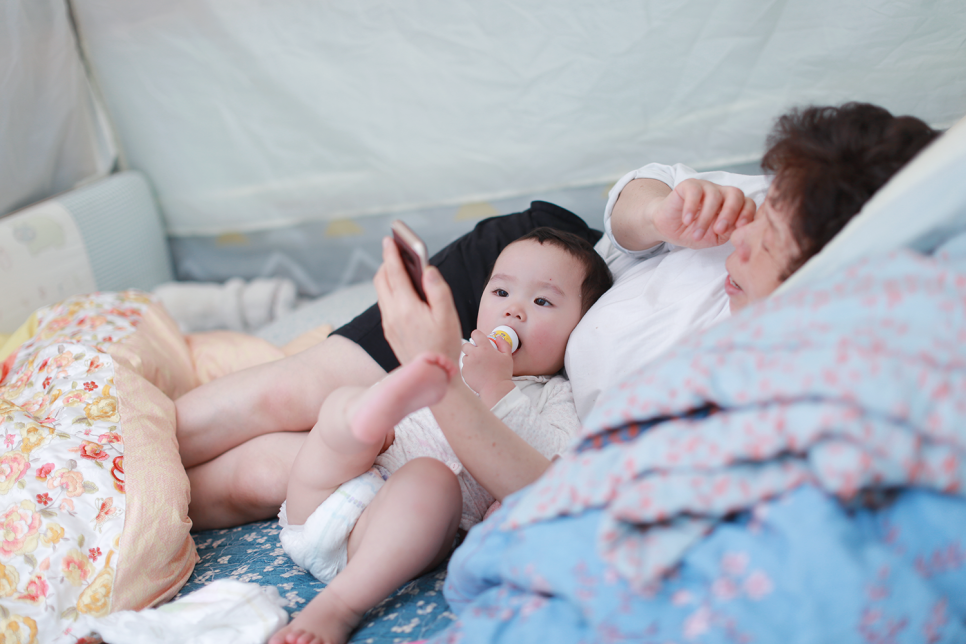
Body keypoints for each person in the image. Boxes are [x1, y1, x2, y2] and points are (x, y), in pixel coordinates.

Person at [175, 102, 939, 531]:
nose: (741, 240)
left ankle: (117, 504)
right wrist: (665, 211)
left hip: (532, 399)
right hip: (549, 268)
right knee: (283, 395)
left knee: (284, 464)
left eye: (764, 243)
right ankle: (106, 443)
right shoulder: (787, 204)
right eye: (761, 209)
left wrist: (442, 371)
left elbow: (560, 492)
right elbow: (628, 198)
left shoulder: (758, 376)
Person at [268, 228, 612, 644]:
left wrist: (497, 388)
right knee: (344, 407)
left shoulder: (557, 397)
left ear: (581, 326)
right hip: (321, 497)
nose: (514, 311)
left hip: (388, 541)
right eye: (501, 292)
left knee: (431, 478)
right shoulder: (452, 351)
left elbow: (551, 469)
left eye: (542, 301)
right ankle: (371, 414)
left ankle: (337, 608)